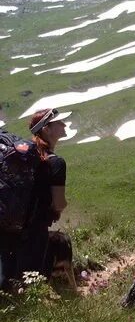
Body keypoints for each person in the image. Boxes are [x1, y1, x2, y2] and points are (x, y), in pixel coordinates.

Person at [1, 109, 70, 286]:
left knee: (8, 276)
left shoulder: (28, 158)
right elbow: (59, 203)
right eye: (59, 122)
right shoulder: (56, 163)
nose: (64, 124)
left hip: (10, 224)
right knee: (31, 281)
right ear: (46, 129)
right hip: (35, 229)